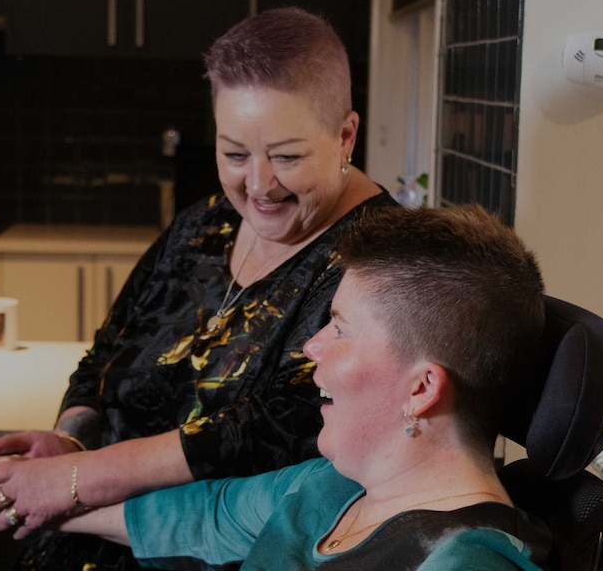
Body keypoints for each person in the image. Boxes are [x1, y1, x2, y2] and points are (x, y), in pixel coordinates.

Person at [0, 7, 397, 570]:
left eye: (287, 157)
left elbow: (272, 430)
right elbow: (107, 353)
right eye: (234, 153)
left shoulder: (380, 261)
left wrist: (73, 480)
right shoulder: (205, 224)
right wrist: (71, 439)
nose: (259, 186)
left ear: (345, 136)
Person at [56, 204, 551, 570]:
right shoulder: (330, 487)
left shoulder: (464, 562)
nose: (309, 347)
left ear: (422, 389)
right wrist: (42, 497)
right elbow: (203, 518)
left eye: (339, 329)